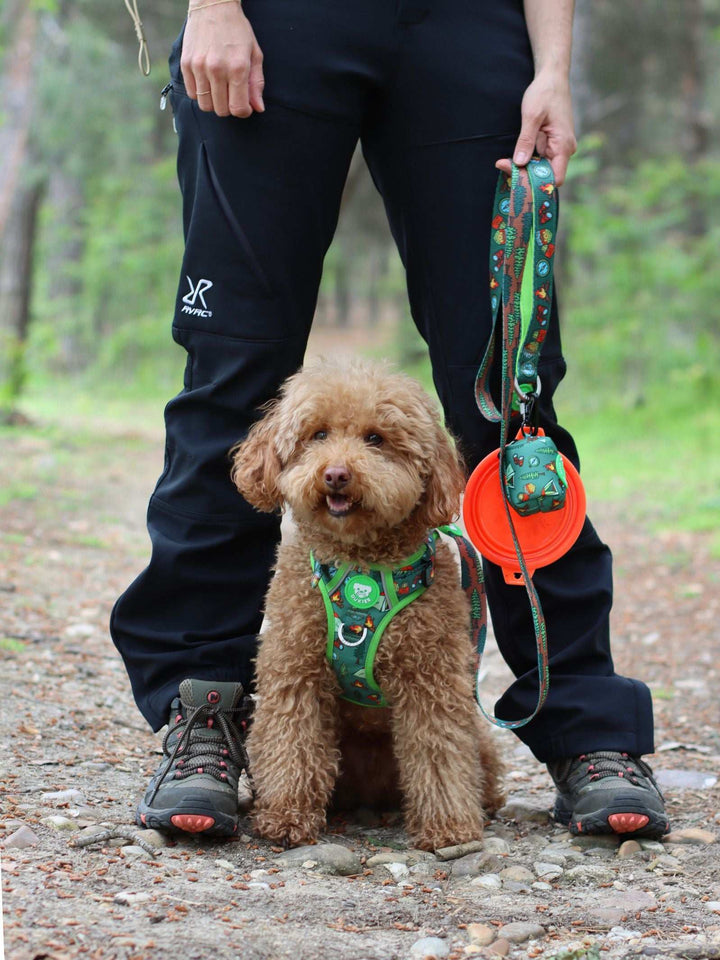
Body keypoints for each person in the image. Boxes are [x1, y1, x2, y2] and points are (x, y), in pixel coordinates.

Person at [111, 0, 669, 840]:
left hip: (466, 27)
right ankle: (203, 710)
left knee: (512, 400)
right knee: (233, 380)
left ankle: (589, 725)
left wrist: (551, 65)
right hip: (276, 24)